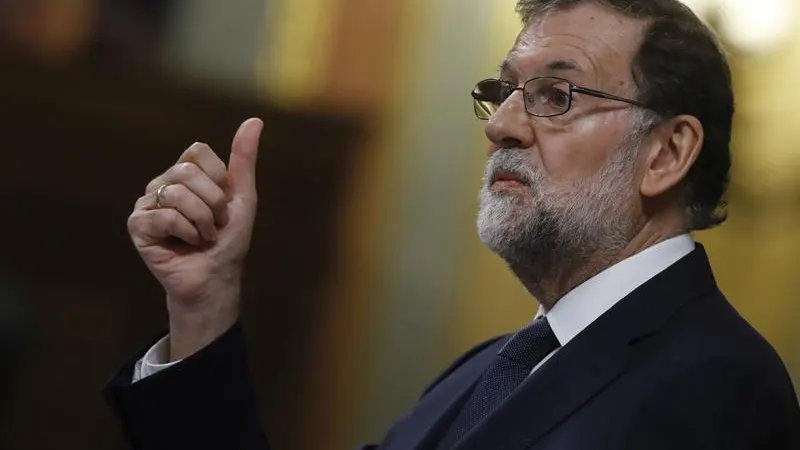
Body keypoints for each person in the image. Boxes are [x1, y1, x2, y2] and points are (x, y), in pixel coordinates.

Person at [105, 0, 800, 449]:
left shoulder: (718, 385)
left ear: (668, 152)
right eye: (503, 92)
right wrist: (204, 302)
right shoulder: (489, 368)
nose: (500, 125)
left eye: (555, 95)